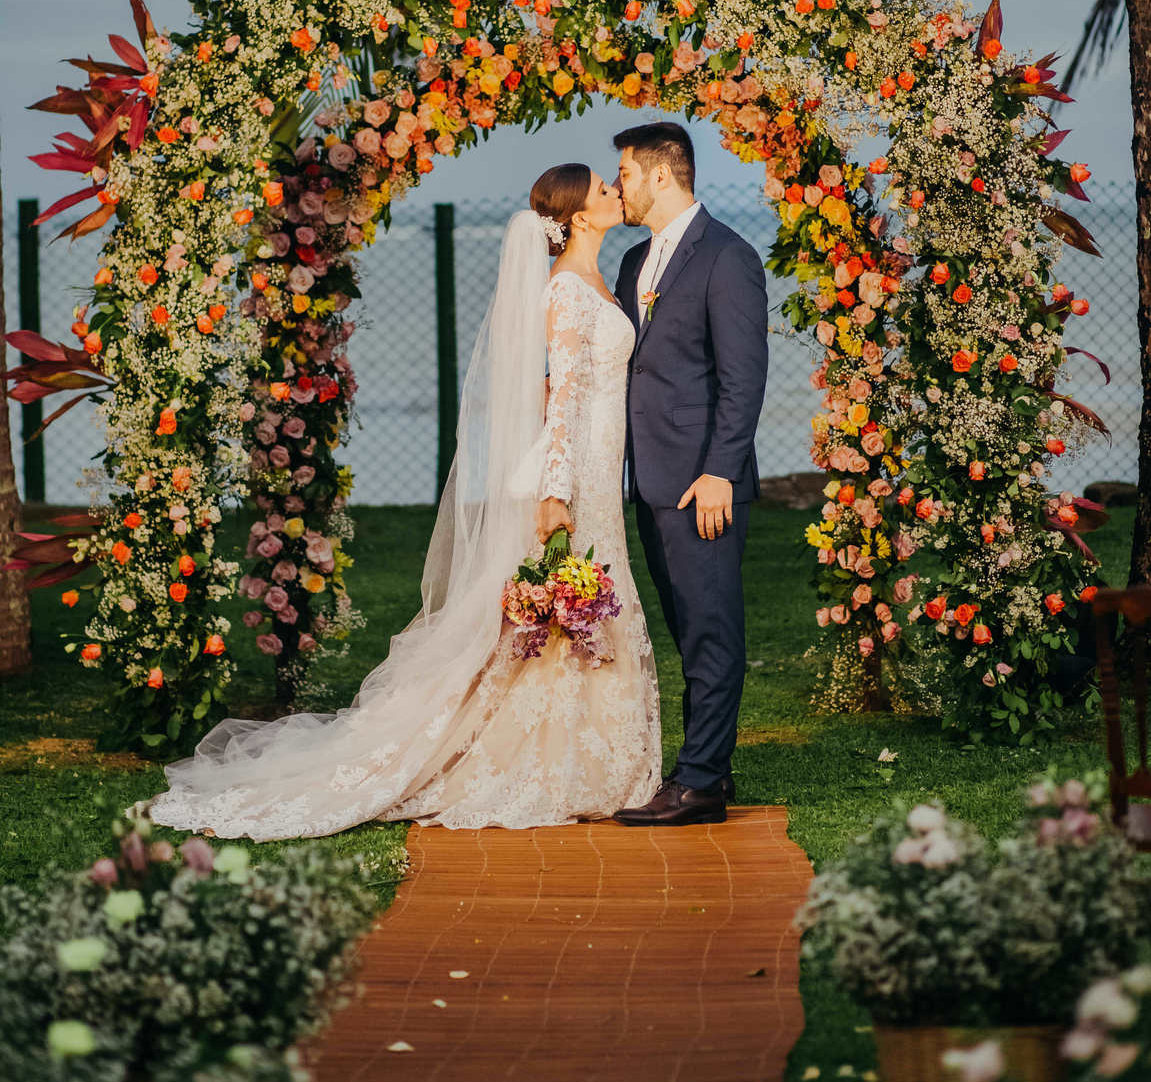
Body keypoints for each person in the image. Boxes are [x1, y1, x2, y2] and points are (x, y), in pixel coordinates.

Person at [142, 166, 660, 839]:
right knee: (567, 608)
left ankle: (590, 753)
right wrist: (556, 488)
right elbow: (560, 398)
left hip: (598, 465)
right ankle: (552, 759)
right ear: (581, 215)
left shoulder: (598, 280)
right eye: (603, 189)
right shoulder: (564, 289)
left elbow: (560, 386)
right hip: (575, 475)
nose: (615, 192)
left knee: (585, 603)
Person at [610, 122, 768, 828]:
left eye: (624, 173)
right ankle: (709, 766)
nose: (618, 186)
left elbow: (743, 380)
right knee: (686, 629)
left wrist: (719, 474)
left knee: (711, 630)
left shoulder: (727, 258)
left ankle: (699, 784)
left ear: (661, 174)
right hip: (649, 479)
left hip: (702, 485)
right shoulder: (634, 260)